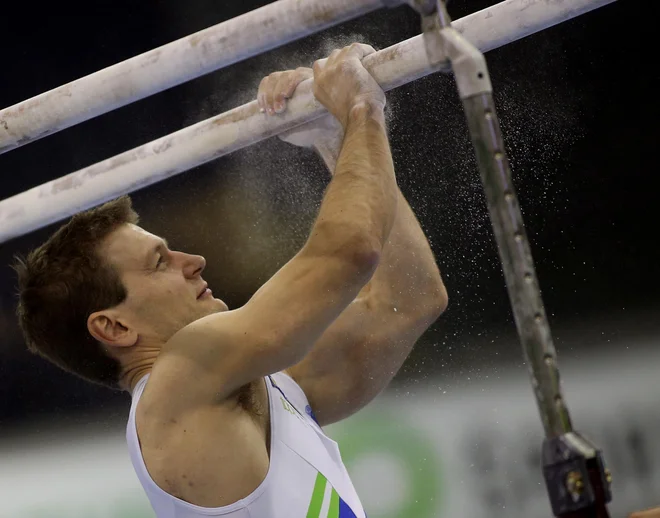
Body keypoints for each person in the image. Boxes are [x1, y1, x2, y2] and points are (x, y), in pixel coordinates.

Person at [14, 43, 447, 517]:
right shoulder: (174, 390)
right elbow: (349, 253)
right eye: (159, 263)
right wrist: (359, 108)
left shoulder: (267, 390)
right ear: (114, 328)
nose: (194, 260)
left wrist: (333, 135)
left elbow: (408, 300)